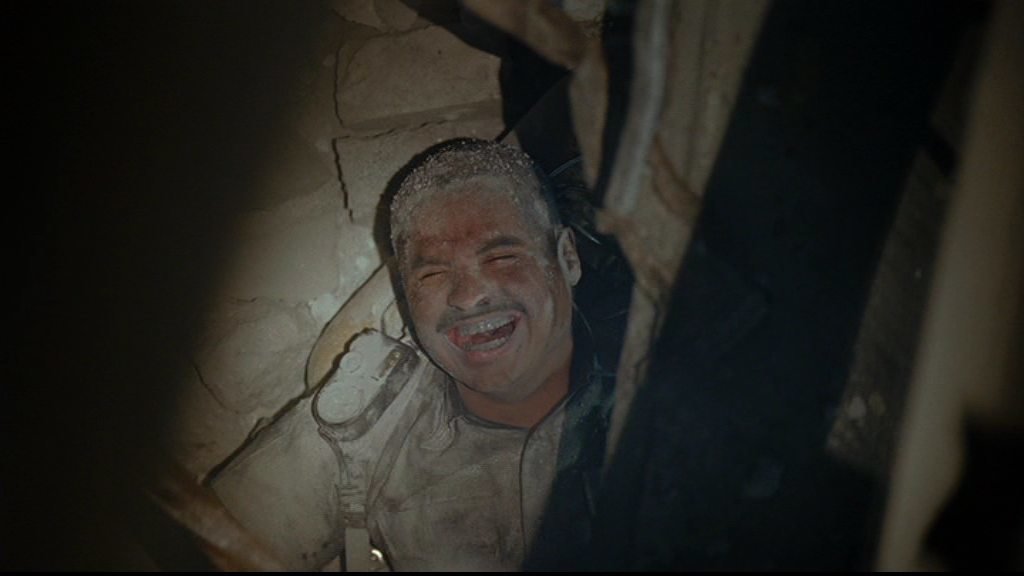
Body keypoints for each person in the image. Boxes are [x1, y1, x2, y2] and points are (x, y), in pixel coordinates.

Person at [353, 138, 621, 570]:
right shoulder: (366, 435)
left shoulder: (668, 404)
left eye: (501, 257)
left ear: (567, 258)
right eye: (433, 274)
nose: (468, 295)